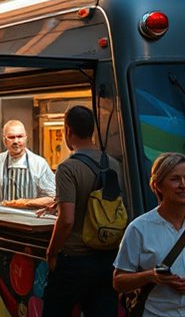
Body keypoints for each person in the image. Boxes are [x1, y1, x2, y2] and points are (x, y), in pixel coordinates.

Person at [41, 106, 123, 316]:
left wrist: (52, 251)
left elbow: (66, 220)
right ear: (93, 129)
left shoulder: (68, 168)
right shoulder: (113, 163)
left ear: (68, 130)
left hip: (74, 260)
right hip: (108, 258)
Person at [114, 152, 185, 316]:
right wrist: (151, 276)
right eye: (175, 179)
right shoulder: (139, 228)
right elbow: (119, 281)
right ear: (157, 186)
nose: (184, 184)